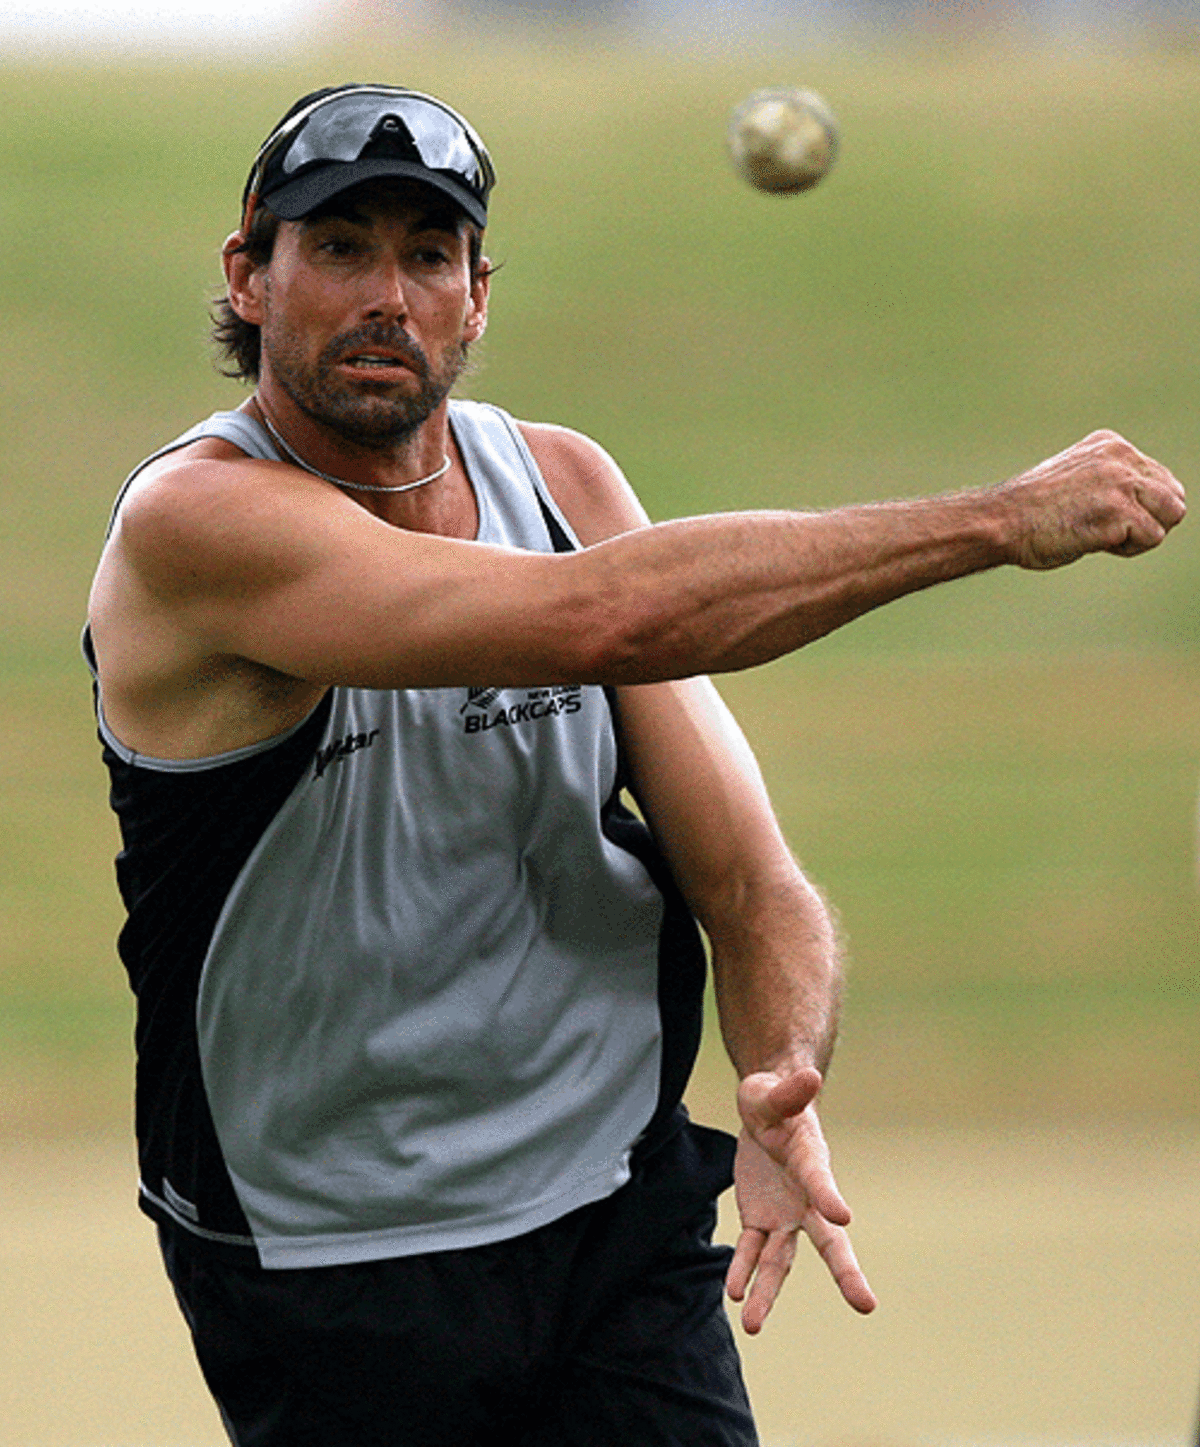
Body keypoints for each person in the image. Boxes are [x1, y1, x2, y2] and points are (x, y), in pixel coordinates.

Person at [84, 84, 1185, 1447]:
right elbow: (604, 617)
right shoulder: (196, 524)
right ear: (251, 276)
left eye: (430, 254)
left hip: (612, 1212)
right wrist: (997, 521)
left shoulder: (566, 485)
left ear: (479, 294)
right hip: (330, 1255)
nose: (389, 294)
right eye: (341, 247)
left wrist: (781, 1064)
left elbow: (745, 872)